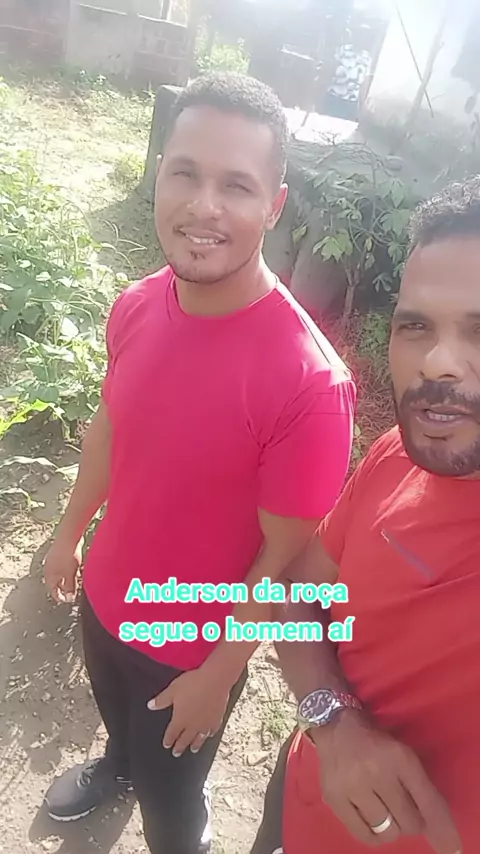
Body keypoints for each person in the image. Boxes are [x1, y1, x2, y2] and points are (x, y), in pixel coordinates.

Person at [42, 73, 355, 854]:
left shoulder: (309, 384)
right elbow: (110, 432)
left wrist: (219, 674)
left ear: (274, 205)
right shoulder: (138, 304)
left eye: (236, 186)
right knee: (121, 730)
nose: (203, 206)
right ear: (160, 174)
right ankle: (117, 763)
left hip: (189, 646)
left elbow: (283, 562)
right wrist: (70, 533)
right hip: (106, 596)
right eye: (185, 172)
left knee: (172, 808)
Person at [251, 176, 480, 854]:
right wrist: (332, 721)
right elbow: (297, 593)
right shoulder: (394, 457)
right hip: (301, 797)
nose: (438, 363)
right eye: (416, 326)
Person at [321, 25, 372, 122]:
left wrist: (362, 105)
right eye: (360, 35)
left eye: (365, 36)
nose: (362, 39)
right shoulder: (342, 50)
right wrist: (320, 93)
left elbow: (364, 84)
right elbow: (328, 71)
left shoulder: (367, 59)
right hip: (334, 98)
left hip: (350, 103)